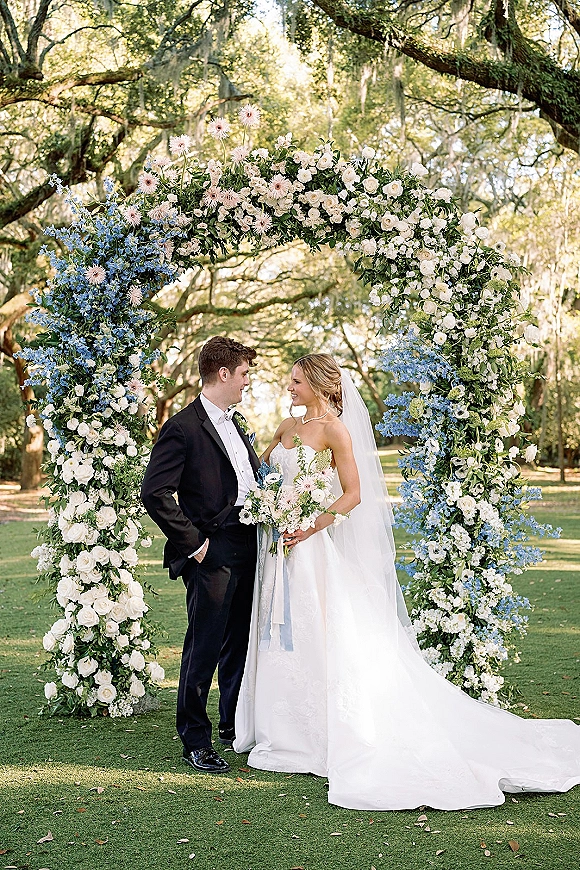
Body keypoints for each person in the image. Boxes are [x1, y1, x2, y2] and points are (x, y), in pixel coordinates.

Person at [234, 353, 580, 810]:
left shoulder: (336, 430)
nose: (289, 388)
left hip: (313, 548)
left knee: (320, 633)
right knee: (283, 636)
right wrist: (267, 506)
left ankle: (318, 733)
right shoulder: (284, 427)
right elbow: (261, 476)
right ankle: (282, 729)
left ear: (317, 383)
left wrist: (310, 524)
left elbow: (353, 494)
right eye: (290, 381)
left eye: (296, 381)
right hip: (279, 550)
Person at [141, 336, 259, 773]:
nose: (248, 381)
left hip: (250, 543)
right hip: (211, 551)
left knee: (238, 643)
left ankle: (231, 723)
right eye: (244, 373)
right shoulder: (182, 426)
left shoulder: (237, 422)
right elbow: (154, 492)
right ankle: (195, 738)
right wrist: (195, 544)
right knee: (204, 645)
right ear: (223, 373)